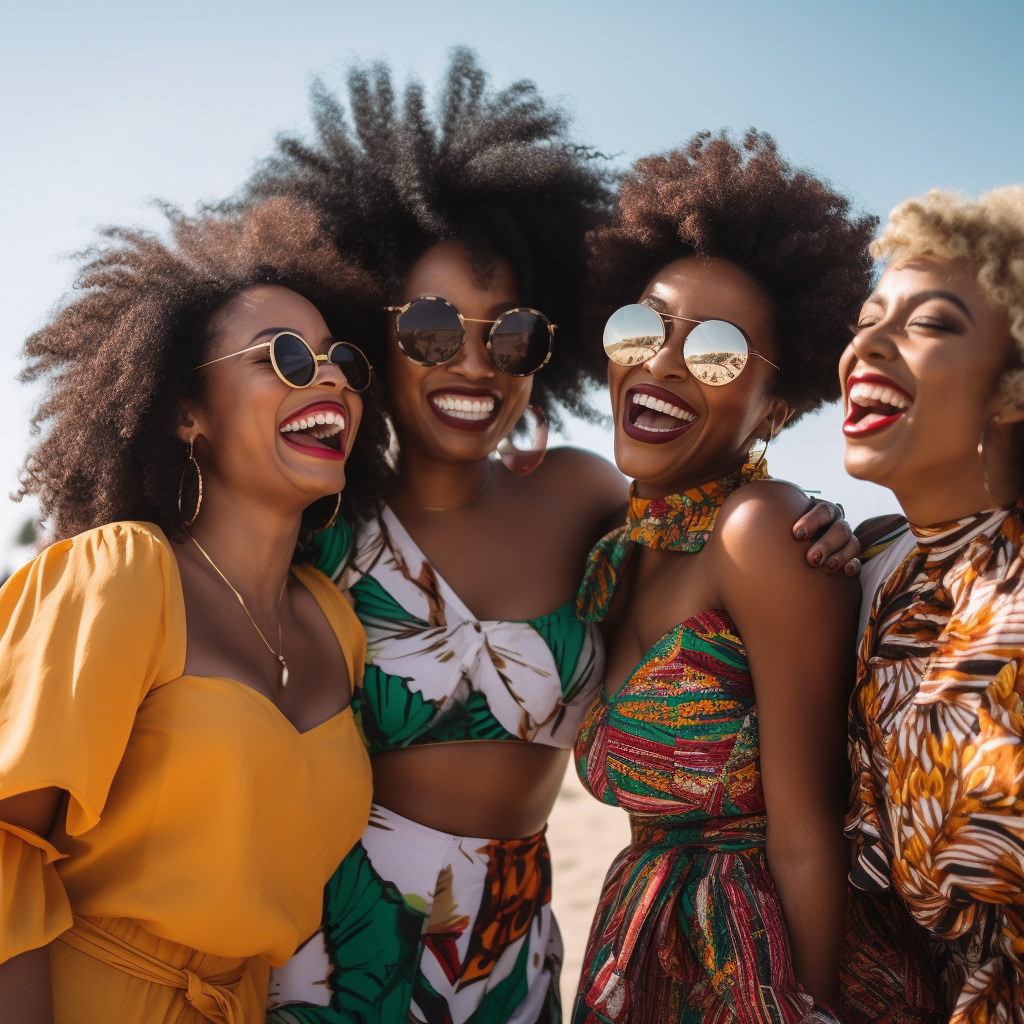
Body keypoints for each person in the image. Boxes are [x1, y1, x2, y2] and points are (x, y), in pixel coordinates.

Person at [248, 57, 861, 1024]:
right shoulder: (317, 521)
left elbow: (709, 510)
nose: (475, 364)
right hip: (336, 943)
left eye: (516, 337)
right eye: (435, 328)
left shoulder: (586, 500)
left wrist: (824, 520)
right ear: (380, 325)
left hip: (519, 949)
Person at [0, 198, 388, 1024]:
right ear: (186, 413)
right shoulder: (124, 575)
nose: (327, 378)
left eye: (341, 361)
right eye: (282, 356)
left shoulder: (335, 622)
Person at [572, 131, 873, 1023]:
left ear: (776, 407)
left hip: (753, 969)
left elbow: (808, 837)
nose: (663, 364)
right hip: (637, 953)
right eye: (643, 328)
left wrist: (807, 1008)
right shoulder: (619, 547)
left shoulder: (761, 534)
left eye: (714, 353)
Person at [841, 186, 1024, 1024]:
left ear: (1011, 387)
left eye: (931, 323)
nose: (868, 343)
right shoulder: (882, 562)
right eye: (868, 317)